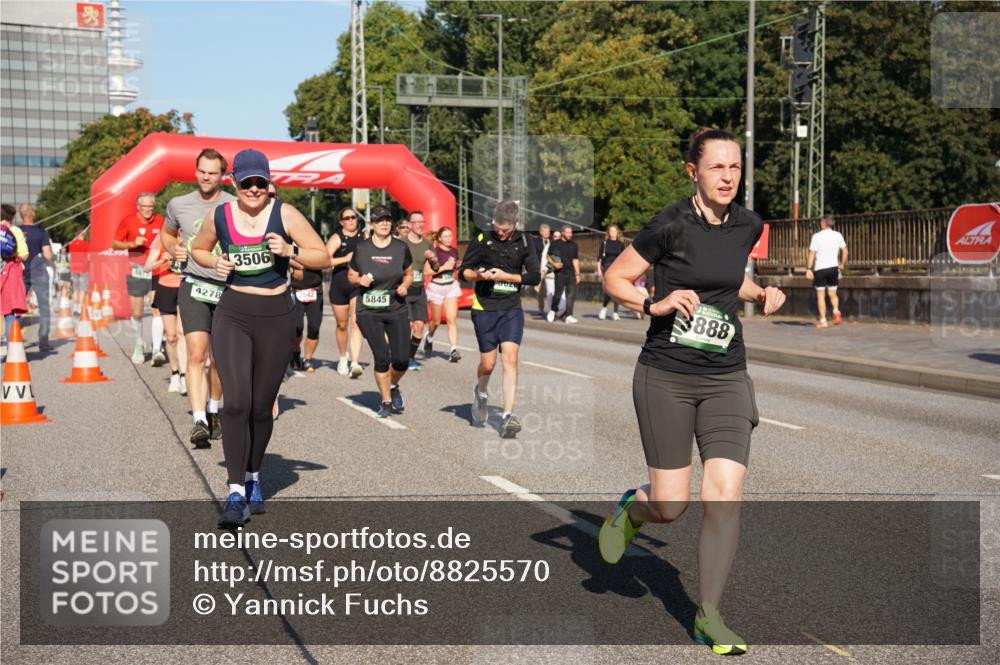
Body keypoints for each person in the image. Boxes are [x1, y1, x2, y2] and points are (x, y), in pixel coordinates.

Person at [600, 127, 786, 656]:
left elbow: (728, 280)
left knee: (724, 494)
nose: (728, 177)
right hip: (667, 375)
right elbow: (616, 278)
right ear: (693, 172)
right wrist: (651, 304)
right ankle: (632, 512)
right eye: (717, 168)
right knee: (671, 504)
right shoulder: (669, 224)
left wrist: (762, 292)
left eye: (735, 167)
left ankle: (708, 615)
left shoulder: (748, 224)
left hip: (727, 375)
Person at [191, 149, 327, 528]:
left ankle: (253, 478)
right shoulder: (219, 215)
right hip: (234, 313)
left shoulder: (284, 214)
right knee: (236, 403)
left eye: (259, 183)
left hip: (276, 317)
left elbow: (322, 257)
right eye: (246, 182)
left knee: (260, 406)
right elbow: (198, 248)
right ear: (233, 182)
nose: (253, 189)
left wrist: (291, 250)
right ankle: (235, 491)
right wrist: (212, 262)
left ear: (269, 185)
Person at [161, 148, 236, 448]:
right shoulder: (179, 204)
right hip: (193, 284)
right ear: (196, 172)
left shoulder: (234, 205)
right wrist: (172, 248)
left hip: (227, 288)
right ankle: (199, 420)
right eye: (202, 171)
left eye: (213, 172)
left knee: (219, 359)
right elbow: (166, 234)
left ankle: (214, 408)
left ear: (222, 175)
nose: (206, 177)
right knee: (196, 353)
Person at [461, 199, 540, 438]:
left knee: (510, 359)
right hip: (484, 307)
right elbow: (463, 271)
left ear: (515, 223)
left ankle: (507, 416)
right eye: (497, 224)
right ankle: (481, 392)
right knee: (488, 364)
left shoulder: (525, 240)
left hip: (511, 309)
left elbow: (534, 276)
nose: (500, 230)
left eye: (505, 227)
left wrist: (508, 276)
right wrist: (478, 275)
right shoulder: (483, 238)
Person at [348, 204, 413, 418]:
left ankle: (392, 385)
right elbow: (351, 276)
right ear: (372, 224)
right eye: (379, 220)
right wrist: (360, 279)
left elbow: (409, 274)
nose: (384, 223)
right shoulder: (362, 248)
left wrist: (405, 285)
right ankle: (386, 401)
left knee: (402, 359)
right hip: (369, 310)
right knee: (382, 357)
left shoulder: (400, 248)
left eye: (387, 219)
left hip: (395, 307)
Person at [112, 193, 164, 364]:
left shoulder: (161, 220)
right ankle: (139, 344)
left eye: (151, 207)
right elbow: (115, 244)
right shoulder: (128, 221)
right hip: (136, 269)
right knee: (137, 312)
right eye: (145, 207)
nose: (148, 210)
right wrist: (132, 244)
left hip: (156, 269)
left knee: (157, 309)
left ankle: (157, 349)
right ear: (138, 207)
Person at [279, 184, 324, 374]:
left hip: (315, 289)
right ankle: (296, 351)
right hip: (296, 290)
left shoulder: (316, 246)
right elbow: (286, 259)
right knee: (297, 327)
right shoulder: (289, 245)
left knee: (314, 327)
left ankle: (308, 358)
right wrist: (296, 262)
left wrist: (301, 262)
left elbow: (323, 260)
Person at [144, 232, 187, 395]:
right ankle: (175, 373)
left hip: (186, 285)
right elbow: (147, 267)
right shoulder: (162, 237)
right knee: (171, 336)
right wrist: (163, 259)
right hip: (166, 287)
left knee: (183, 333)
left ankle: (184, 375)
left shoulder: (190, 231)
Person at [398, 211, 439, 371]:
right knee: (406, 326)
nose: (420, 225)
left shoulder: (427, 244)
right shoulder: (401, 243)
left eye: (422, 221)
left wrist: (434, 260)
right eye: (416, 222)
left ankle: (410, 357)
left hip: (419, 290)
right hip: (404, 289)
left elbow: (435, 267)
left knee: (420, 327)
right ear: (409, 225)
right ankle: (399, 356)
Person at [326, 206, 364, 378]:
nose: (351, 220)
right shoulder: (337, 238)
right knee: (342, 325)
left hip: (357, 284)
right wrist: (345, 259)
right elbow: (324, 260)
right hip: (339, 285)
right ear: (341, 222)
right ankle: (343, 357)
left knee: (355, 323)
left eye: (353, 217)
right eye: (347, 218)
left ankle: (355, 362)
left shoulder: (364, 237)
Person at [18, 204, 55, 351]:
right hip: (39, 273)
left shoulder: (16, 231)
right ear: (32, 214)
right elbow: (47, 255)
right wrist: (53, 256)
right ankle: (43, 342)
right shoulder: (41, 232)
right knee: (44, 307)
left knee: (16, 307)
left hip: (20, 273)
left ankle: (14, 339)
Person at [425, 226, 462, 362]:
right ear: (439, 238)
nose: (448, 239)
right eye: (445, 236)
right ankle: (429, 337)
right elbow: (426, 271)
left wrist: (457, 265)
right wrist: (444, 267)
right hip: (437, 287)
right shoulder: (435, 252)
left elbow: (454, 266)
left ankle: (453, 349)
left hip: (451, 286)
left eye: (450, 236)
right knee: (436, 321)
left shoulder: (453, 251)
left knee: (451, 319)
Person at [805, 214, 848, 328]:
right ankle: (836, 310)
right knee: (833, 293)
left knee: (821, 296)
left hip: (820, 269)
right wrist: (842, 264)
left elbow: (812, 253)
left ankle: (823, 320)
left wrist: (808, 268)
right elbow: (845, 251)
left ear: (824, 223)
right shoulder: (838, 235)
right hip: (834, 268)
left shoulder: (816, 237)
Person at [1, 204, 29, 354]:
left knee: (7, 313)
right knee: (12, 313)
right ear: (12, 217)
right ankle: (14, 352)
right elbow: (24, 255)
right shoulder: (16, 231)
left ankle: (13, 350)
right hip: (12, 273)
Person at [546, 225, 580, 324]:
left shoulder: (574, 245)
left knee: (571, 295)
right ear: (563, 233)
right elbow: (548, 257)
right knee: (557, 294)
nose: (570, 234)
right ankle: (553, 310)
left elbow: (575, 260)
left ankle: (568, 315)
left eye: (571, 232)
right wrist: (554, 264)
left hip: (571, 273)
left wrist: (578, 274)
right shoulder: (555, 243)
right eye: (568, 232)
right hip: (560, 272)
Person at [597, 224, 626, 320]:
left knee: (617, 290)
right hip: (607, 267)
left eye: (614, 231)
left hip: (617, 269)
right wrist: (599, 270)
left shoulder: (621, 244)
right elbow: (599, 258)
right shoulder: (605, 243)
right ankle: (604, 308)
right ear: (608, 232)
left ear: (617, 232)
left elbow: (623, 258)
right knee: (608, 290)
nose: (613, 233)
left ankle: (615, 312)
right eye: (611, 231)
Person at [542, 229, 566, 316]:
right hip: (550, 272)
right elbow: (544, 258)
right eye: (555, 236)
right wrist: (544, 269)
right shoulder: (549, 245)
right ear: (553, 237)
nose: (557, 238)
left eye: (559, 236)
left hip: (561, 273)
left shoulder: (564, 245)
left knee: (561, 292)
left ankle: (559, 310)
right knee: (550, 293)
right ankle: (549, 310)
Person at [67, 230, 90, 314]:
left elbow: (70, 254)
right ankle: (80, 309)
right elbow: (89, 257)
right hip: (84, 269)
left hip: (74, 269)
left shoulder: (71, 244)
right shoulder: (87, 244)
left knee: (76, 289)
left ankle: (75, 309)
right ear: (83, 235)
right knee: (82, 290)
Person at [532, 224, 551, 314]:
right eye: (545, 231)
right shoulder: (536, 242)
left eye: (548, 231)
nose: (547, 233)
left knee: (550, 290)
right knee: (540, 290)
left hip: (550, 269)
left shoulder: (552, 242)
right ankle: (541, 308)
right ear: (540, 232)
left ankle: (551, 308)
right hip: (539, 269)